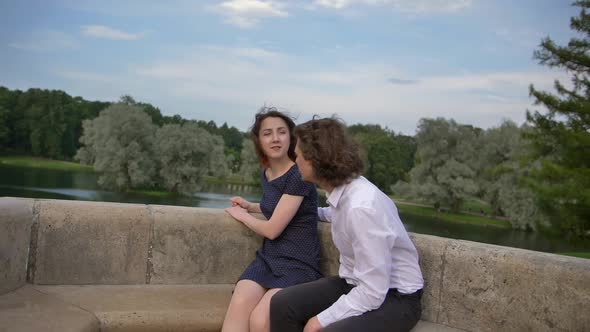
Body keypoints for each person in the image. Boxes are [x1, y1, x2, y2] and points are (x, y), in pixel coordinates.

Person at [270, 117, 424, 332]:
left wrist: (319, 321)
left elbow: (373, 291)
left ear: (315, 159)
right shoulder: (345, 192)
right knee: (281, 303)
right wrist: (299, 214)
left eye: (298, 155)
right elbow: (335, 214)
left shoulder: (362, 207)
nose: (295, 160)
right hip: (354, 283)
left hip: (396, 297)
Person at [222, 107, 323, 332]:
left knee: (261, 319)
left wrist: (242, 216)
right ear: (259, 140)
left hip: (298, 264)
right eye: (267, 133)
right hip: (268, 259)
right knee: (239, 301)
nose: (275, 139)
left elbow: (272, 229)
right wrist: (251, 206)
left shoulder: (299, 175)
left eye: (281, 132)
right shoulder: (267, 173)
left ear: (291, 137)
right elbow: (279, 207)